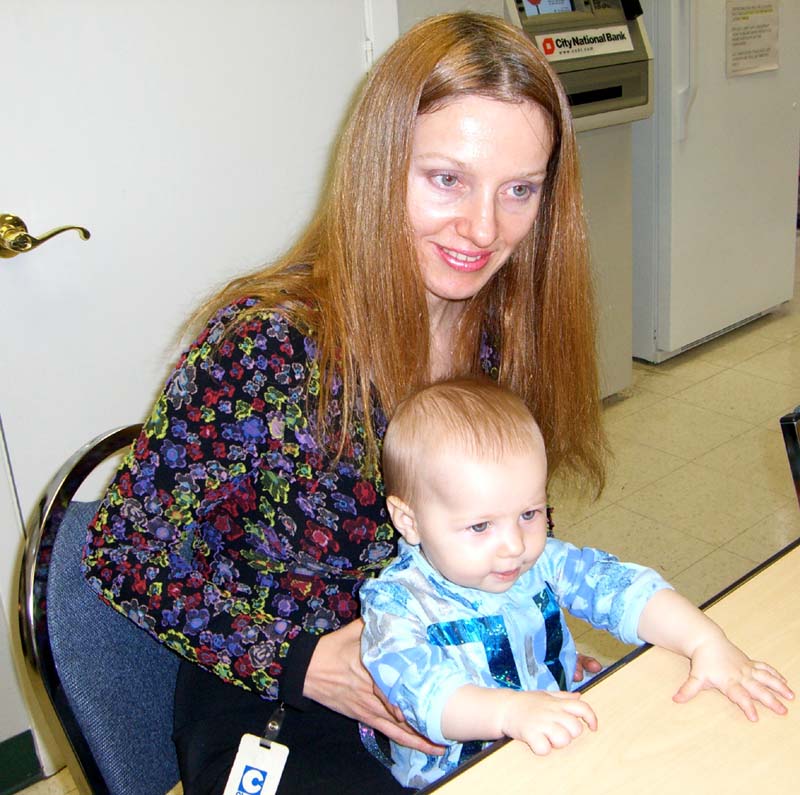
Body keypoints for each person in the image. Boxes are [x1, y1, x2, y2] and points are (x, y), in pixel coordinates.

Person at [82, 11, 607, 795]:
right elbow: (125, 550)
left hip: (452, 667)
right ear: (379, 164)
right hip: (282, 698)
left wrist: (529, 624)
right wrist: (305, 662)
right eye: (446, 179)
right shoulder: (268, 346)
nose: (483, 227)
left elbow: (505, 515)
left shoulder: (504, 338)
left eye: (520, 190)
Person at [360, 377, 794, 789]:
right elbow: (426, 696)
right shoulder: (395, 605)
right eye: (480, 527)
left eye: (529, 514)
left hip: (562, 745)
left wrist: (705, 641)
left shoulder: (542, 561)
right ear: (409, 520)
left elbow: (623, 590)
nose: (514, 546)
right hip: (463, 777)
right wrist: (511, 712)